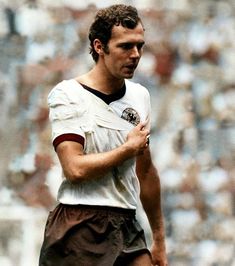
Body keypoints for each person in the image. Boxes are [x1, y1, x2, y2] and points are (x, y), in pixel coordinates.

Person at [39, 4, 167, 266]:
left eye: (139, 46)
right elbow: (74, 169)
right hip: (79, 225)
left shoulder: (140, 96)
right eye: (125, 46)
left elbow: (145, 172)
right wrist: (126, 150)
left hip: (127, 225)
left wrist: (160, 239)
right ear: (99, 46)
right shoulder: (68, 95)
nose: (135, 54)